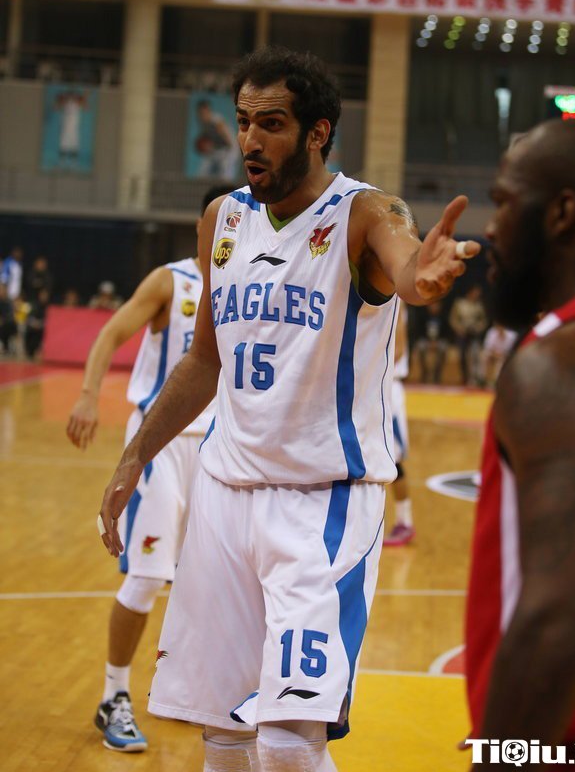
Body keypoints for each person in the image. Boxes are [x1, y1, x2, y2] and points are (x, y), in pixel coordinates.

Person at [97, 46, 480, 772]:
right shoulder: (222, 220)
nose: (249, 139)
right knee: (223, 735)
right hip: (224, 495)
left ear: (317, 132)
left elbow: (407, 267)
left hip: (322, 502)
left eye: (271, 123)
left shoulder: (365, 212)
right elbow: (204, 360)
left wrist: (422, 276)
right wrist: (135, 455)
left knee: (287, 743)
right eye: (243, 121)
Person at [465, 118, 575, 763]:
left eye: (505, 202)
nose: (491, 228)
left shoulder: (566, 360)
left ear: (562, 212)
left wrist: (508, 752)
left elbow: (558, 615)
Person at [67, 189, 224, 752]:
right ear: (203, 224)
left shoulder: (248, 284)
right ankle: (113, 695)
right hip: (159, 448)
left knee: (210, 581)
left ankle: (189, 690)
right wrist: (89, 394)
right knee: (149, 575)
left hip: (218, 451)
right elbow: (111, 333)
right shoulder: (171, 281)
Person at [384, 303, 416, 546]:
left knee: (394, 462)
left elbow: (398, 350)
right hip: (377, 387)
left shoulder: (395, 302)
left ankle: (405, 522)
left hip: (388, 389)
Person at [449, 284, 488, 386]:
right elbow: (453, 319)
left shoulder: (479, 305)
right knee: (463, 354)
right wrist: (459, 329)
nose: (477, 295)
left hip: (474, 334)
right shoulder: (459, 303)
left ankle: (477, 377)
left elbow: (483, 321)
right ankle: (465, 377)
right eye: (475, 292)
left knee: (475, 354)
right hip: (462, 334)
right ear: (470, 292)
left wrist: (478, 327)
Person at [414, 299, 450, 384]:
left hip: (439, 341)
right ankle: (425, 371)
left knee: (443, 348)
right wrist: (429, 341)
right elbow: (419, 332)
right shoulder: (423, 316)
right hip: (426, 340)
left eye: (436, 305)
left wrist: (436, 342)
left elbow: (446, 333)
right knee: (420, 346)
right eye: (432, 305)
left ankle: (437, 372)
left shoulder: (443, 317)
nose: (434, 307)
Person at [479, 322, 517, 388]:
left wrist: (501, 356)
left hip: (506, 357)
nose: (499, 328)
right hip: (494, 355)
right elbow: (488, 349)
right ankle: (483, 379)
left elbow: (511, 351)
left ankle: (497, 382)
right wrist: (496, 355)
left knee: (501, 363)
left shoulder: (512, 335)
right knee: (484, 356)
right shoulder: (491, 333)